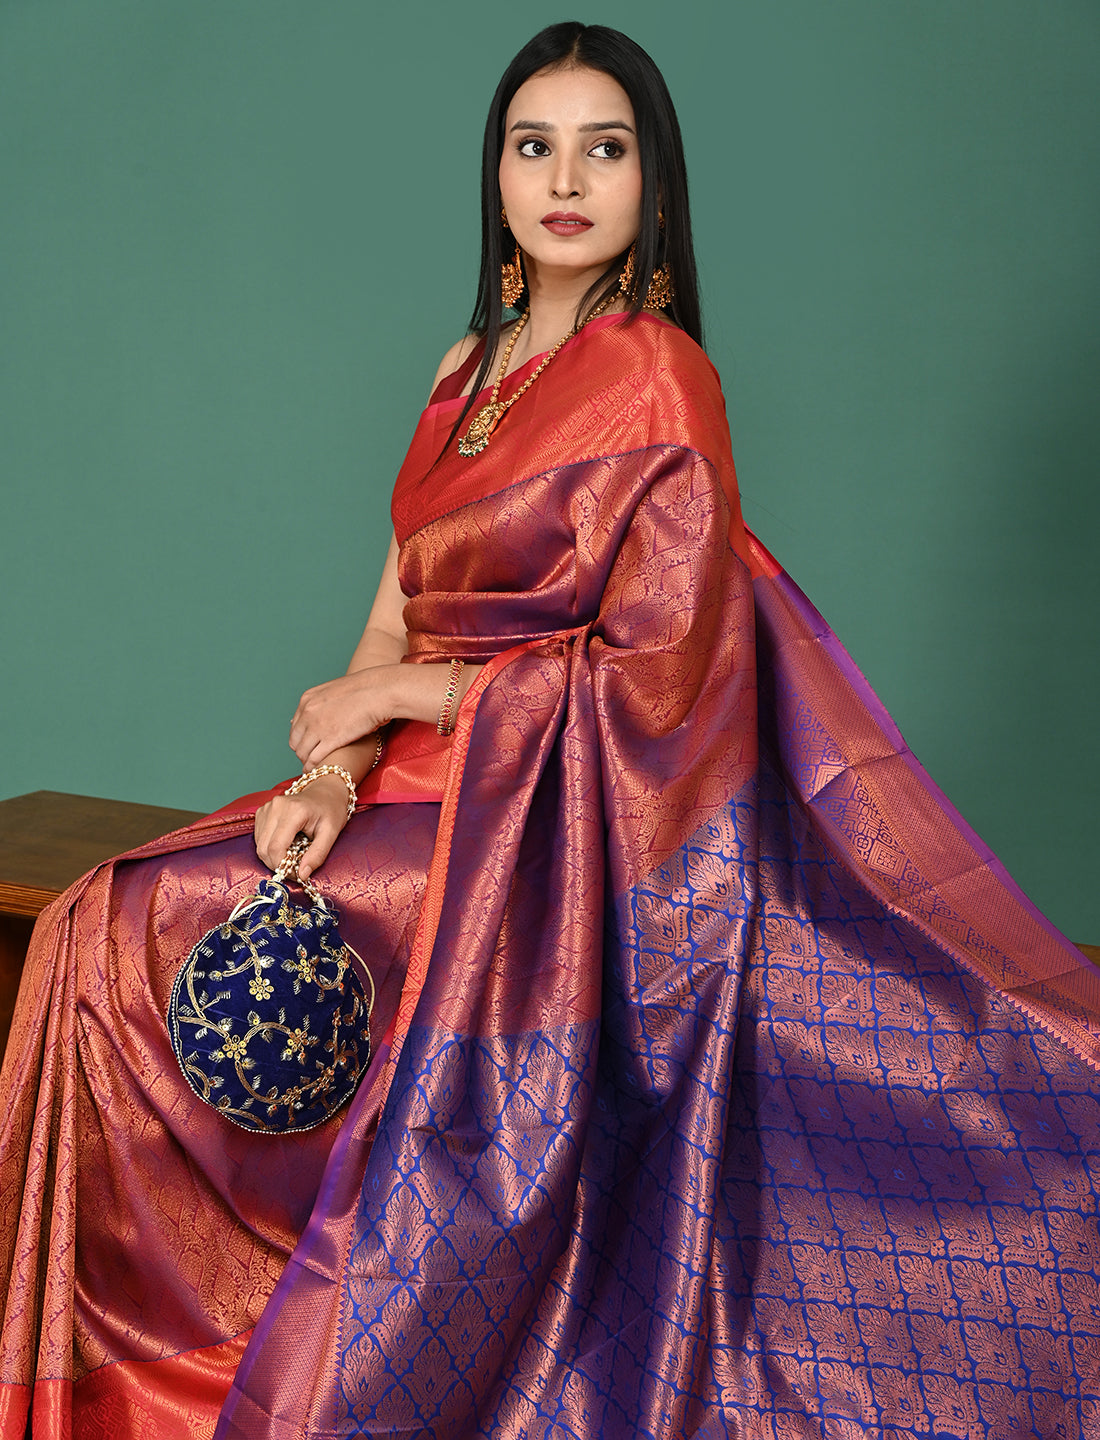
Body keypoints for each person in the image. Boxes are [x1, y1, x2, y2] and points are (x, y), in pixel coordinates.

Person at [3, 20, 1100, 1440]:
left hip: (564, 825)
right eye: (536, 145)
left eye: (606, 146)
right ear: (498, 175)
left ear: (654, 183)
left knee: (148, 922)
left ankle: (306, 1363)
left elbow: (662, 675)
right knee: (104, 921)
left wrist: (399, 704)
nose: (566, 177)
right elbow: (397, 598)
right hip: (415, 790)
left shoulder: (657, 377)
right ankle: (158, 1362)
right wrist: (333, 771)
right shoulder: (468, 366)